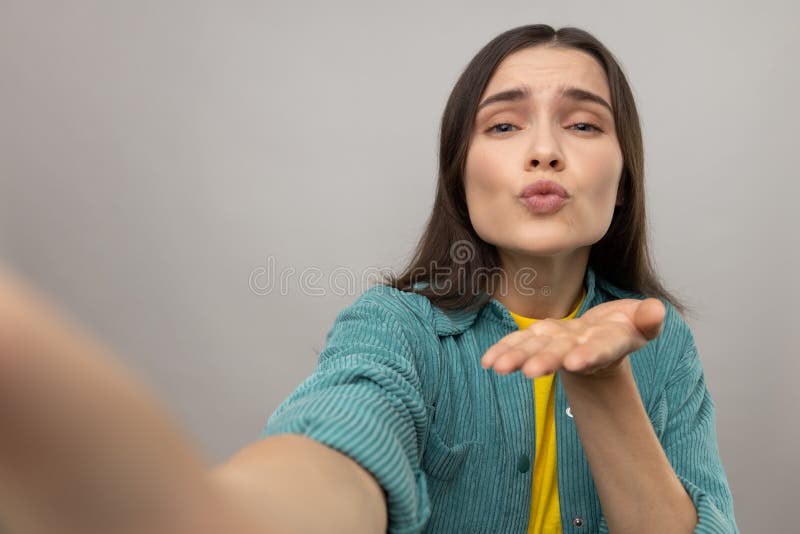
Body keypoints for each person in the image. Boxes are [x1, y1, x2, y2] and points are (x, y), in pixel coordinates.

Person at [0, 23, 737, 534]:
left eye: (582, 124)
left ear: (624, 175)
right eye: (504, 125)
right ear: (459, 171)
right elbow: (342, 444)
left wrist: (604, 383)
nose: (544, 150)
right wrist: (218, 513)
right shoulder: (396, 328)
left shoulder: (662, 350)